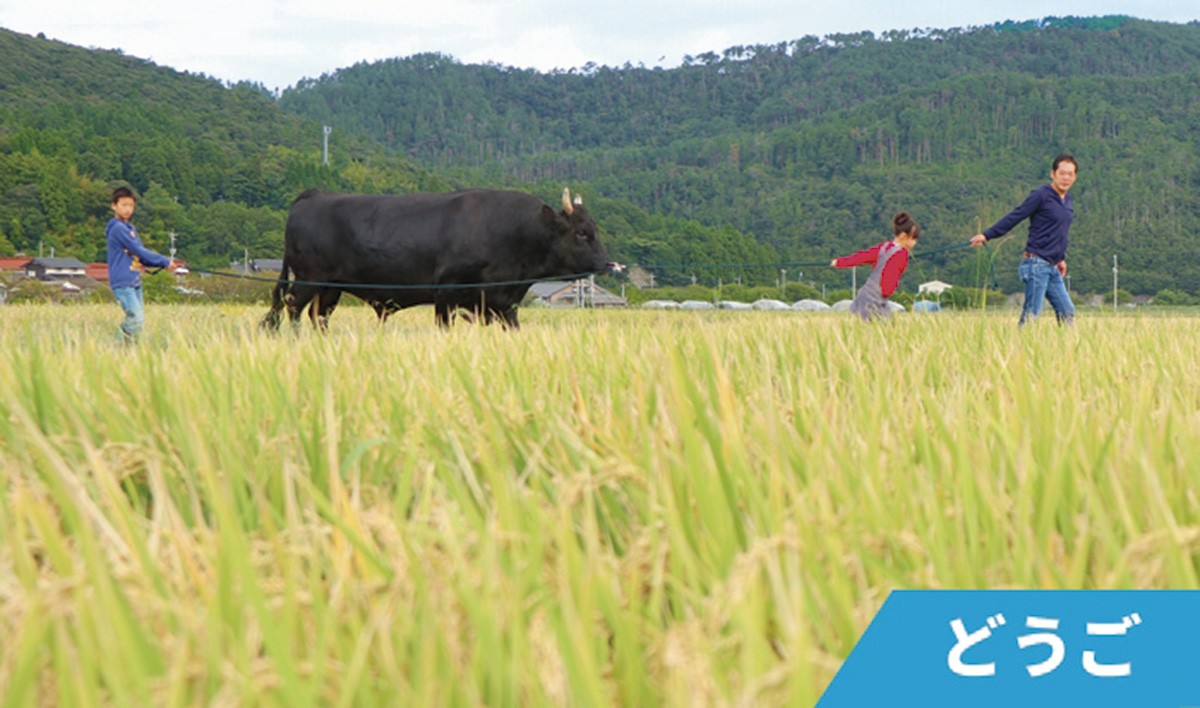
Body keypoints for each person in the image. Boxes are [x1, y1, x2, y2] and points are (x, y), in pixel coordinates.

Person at [970, 154, 1078, 325]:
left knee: (1067, 310)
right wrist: (987, 235)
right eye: (1062, 173)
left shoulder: (1067, 200)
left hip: (1052, 265)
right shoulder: (1040, 196)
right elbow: (1016, 215)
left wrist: (1061, 258)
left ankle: (1065, 349)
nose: (1066, 178)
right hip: (1036, 264)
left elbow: (1059, 232)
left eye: (1070, 174)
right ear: (1053, 174)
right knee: (1032, 313)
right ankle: (1020, 348)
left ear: (1075, 177)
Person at [106, 186, 182, 342]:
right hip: (123, 280)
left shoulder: (129, 228)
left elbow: (140, 255)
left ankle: (128, 352)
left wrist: (165, 264)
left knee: (138, 324)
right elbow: (138, 250)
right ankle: (114, 346)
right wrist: (165, 261)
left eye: (131, 205)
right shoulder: (117, 228)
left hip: (134, 280)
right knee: (136, 319)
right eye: (123, 205)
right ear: (114, 205)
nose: (128, 209)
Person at [830, 212, 920, 320]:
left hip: (864, 295)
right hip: (876, 299)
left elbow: (862, 257)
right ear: (904, 236)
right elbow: (890, 274)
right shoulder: (902, 254)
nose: (915, 242)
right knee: (885, 330)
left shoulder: (884, 247)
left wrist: (839, 262)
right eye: (914, 239)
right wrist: (888, 292)